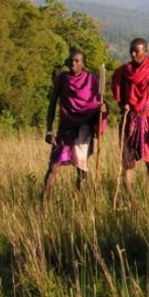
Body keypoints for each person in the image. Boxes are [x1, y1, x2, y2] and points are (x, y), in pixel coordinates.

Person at [42, 49, 107, 201]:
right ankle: (43, 202)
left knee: (81, 167)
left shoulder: (91, 80)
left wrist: (102, 109)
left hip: (84, 128)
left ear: (83, 64)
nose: (73, 63)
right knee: (53, 166)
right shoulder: (62, 79)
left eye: (77, 61)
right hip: (65, 128)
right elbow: (52, 105)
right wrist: (49, 130)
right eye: (71, 60)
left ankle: (78, 200)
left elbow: (97, 103)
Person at [111, 37, 149, 187]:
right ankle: (129, 194)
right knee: (128, 159)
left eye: (137, 51)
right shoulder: (124, 71)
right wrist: (122, 106)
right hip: (131, 119)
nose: (133, 54)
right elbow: (120, 96)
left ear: (145, 52)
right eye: (131, 51)